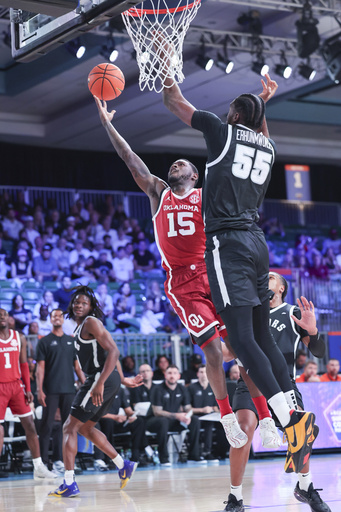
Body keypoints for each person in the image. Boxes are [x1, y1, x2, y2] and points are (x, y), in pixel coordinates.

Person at [159, 62, 317, 471]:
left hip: (226, 243)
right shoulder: (268, 147)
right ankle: (294, 415)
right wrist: (261, 104)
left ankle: (289, 420)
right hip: (258, 242)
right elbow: (259, 130)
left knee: (243, 343)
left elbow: (172, 100)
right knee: (261, 338)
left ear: (232, 116)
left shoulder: (219, 129)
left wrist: (162, 61)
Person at [94, 97, 269, 450]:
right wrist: (107, 124)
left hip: (214, 271)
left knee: (241, 348)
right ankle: (226, 415)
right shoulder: (159, 192)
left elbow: (254, 151)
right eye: (173, 163)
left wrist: (258, 112)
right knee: (215, 352)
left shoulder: (207, 195)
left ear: (194, 175)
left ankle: (265, 417)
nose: (175, 164)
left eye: (182, 164)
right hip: (182, 282)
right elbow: (130, 158)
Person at [221, 272, 330, 512]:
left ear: (280, 288)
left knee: (300, 431)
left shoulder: (292, 312)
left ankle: (305, 486)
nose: (265, 278)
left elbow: (320, 352)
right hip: (250, 382)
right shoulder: (246, 314)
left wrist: (312, 332)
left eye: (270, 277)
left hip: (283, 383)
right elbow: (226, 354)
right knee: (243, 430)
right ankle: (235, 497)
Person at [48, 285, 141, 498]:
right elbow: (109, 352)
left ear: (91, 307)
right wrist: (123, 380)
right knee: (85, 429)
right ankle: (123, 464)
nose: (79, 305)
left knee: (69, 428)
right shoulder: (79, 328)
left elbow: (114, 350)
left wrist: (101, 383)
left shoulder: (91, 322)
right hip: (104, 379)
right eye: (77, 302)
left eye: (84, 303)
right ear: (71, 305)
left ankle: (69, 483)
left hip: (100, 379)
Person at [0, 308, 57, 480]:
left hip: (17, 386)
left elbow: (24, 365)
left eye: (4, 314)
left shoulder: (19, 337)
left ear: (9, 318)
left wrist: (28, 389)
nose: (1, 317)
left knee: (30, 425)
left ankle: (38, 467)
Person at [35, 309, 85, 472]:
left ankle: (66, 462)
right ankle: (43, 464)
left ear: (63, 320)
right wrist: (39, 390)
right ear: (50, 320)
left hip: (69, 390)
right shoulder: (44, 341)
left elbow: (77, 367)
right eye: (53, 316)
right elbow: (40, 369)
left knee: (69, 428)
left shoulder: (71, 341)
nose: (57, 318)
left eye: (59, 316)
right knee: (47, 427)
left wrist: (86, 385)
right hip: (50, 391)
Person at [151, 365, 203, 462]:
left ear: (179, 376)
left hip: (174, 421)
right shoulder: (158, 389)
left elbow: (188, 408)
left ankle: (194, 455)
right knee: (163, 421)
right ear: (165, 375)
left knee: (195, 420)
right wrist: (177, 415)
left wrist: (188, 416)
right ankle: (164, 458)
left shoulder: (182, 389)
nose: (172, 376)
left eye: (175, 373)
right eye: (169, 373)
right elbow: (157, 412)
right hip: (154, 421)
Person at [130, 363, 171, 466]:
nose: (145, 373)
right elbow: (135, 406)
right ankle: (145, 450)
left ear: (152, 373)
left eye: (147, 371)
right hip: (140, 419)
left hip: (154, 418)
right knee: (139, 422)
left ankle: (163, 457)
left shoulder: (160, 388)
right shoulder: (135, 388)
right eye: (142, 371)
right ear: (139, 374)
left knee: (163, 421)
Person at [188, 365, 228, 461]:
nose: (203, 375)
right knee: (202, 423)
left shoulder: (213, 387)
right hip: (195, 417)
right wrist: (202, 410)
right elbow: (187, 409)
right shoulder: (191, 388)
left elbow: (215, 406)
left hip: (210, 416)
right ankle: (199, 452)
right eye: (201, 372)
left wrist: (219, 413)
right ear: (197, 374)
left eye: (205, 372)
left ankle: (220, 452)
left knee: (221, 423)